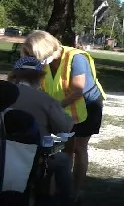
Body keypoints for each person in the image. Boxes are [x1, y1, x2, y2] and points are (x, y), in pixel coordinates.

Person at [21, 30, 106, 205]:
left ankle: (77, 191)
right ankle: (60, 189)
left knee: (79, 148)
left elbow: (77, 91)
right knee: (63, 148)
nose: (35, 60)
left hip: (87, 107)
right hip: (60, 107)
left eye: (35, 55)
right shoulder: (43, 62)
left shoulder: (76, 59)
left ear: (45, 48)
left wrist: (51, 109)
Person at [7, 57, 75, 205]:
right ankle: (66, 199)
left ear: (15, 74)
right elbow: (64, 127)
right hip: (33, 156)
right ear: (39, 77)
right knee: (63, 160)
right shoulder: (45, 100)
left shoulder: (5, 94)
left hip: (3, 152)